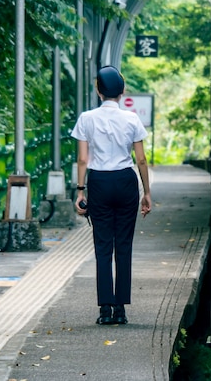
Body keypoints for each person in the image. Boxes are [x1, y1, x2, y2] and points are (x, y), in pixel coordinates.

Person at [71, 65, 152, 325]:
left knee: (103, 247)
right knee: (124, 246)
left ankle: (105, 309)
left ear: (98, 90)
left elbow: (83, 159)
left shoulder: (86, 118)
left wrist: (80, 191)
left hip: (99, 182)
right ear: (122, 91)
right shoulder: (131, 119)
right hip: (126, 181)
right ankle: (121, 310)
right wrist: (147, 192)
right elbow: (141, 160)